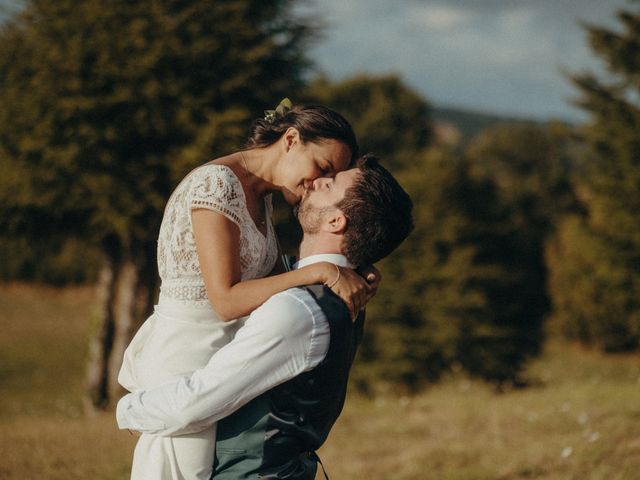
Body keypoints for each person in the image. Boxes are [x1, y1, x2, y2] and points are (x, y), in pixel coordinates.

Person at [117, 101, 378, 480]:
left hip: (218, 365)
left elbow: (266, 282)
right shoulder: (217, 185)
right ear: (291, 140)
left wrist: (350, 268)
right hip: (185, 363)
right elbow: (226, 301)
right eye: (323, 168)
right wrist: (320, 272)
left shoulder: (261, 196)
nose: (318, 184)